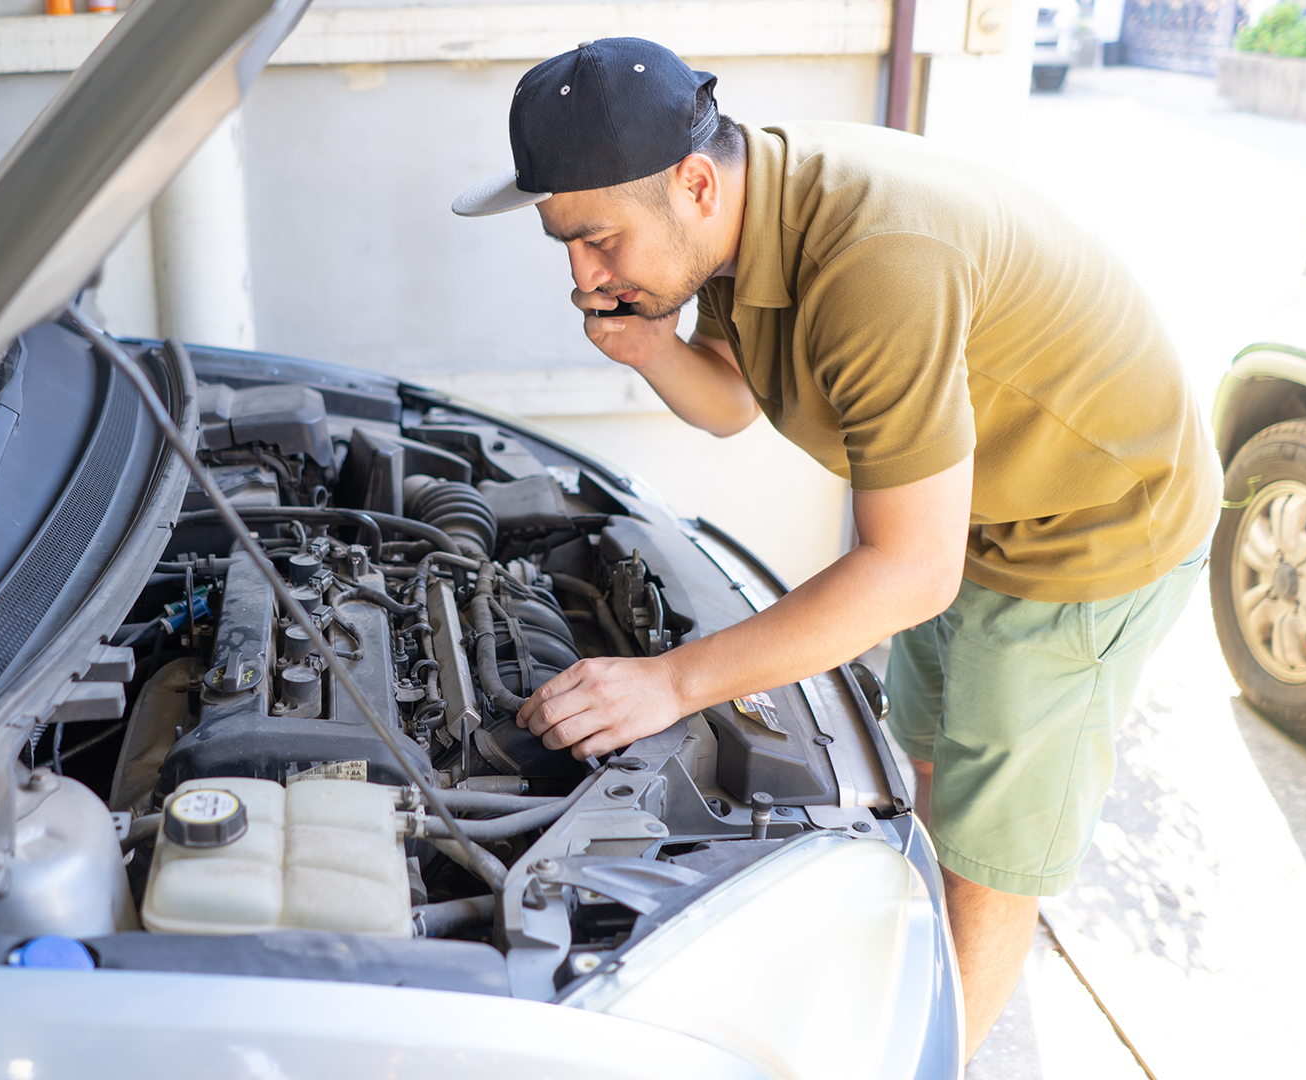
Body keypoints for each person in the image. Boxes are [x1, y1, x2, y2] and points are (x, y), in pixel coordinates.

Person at [452, 38, 1219, 1061]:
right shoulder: (736, 213)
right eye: (565, 246)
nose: (584, 274)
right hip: (971, 516)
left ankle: (938, 1056)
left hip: (1085, 531)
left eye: (598, 241)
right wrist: (650, 346)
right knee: (939, 765)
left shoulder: (873, 259)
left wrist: (675, 681)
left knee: (993, 861)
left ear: (692, 182)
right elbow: (730, 400)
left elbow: (910, 568)